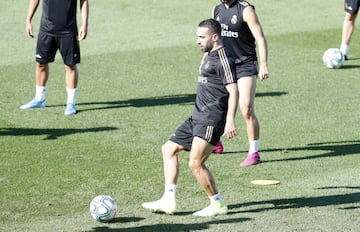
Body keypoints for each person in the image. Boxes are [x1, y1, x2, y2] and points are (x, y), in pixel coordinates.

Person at [142, 18, 238, 217]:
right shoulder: (209, 54)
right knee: (168, 149)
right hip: (197, 116)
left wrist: (230, 120)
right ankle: (168, 199)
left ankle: (217, 204)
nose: (198, 41)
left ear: (215, 36)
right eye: (197, 36)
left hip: (212, 119)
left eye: (202, 37)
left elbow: (234, 90)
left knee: (195, 163)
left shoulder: (223, 58)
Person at [211, 0, 269, 167]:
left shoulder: (245, 10)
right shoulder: (217, 9)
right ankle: (216, 142)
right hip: (225, 64)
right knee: (218, 105)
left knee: (246, 108)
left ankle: (254, 152)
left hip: (245, 64)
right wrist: (207, 59)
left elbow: (260, 38)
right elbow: (213, 38)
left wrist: (264, 64)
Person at [20, 0, 89, 116]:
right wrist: (28, 20)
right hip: (46, 30)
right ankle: (39, 99)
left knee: (70, 66)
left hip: (68, 31)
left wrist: (84, 24)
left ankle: (71, 103)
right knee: (40, 63)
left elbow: (84, 1)